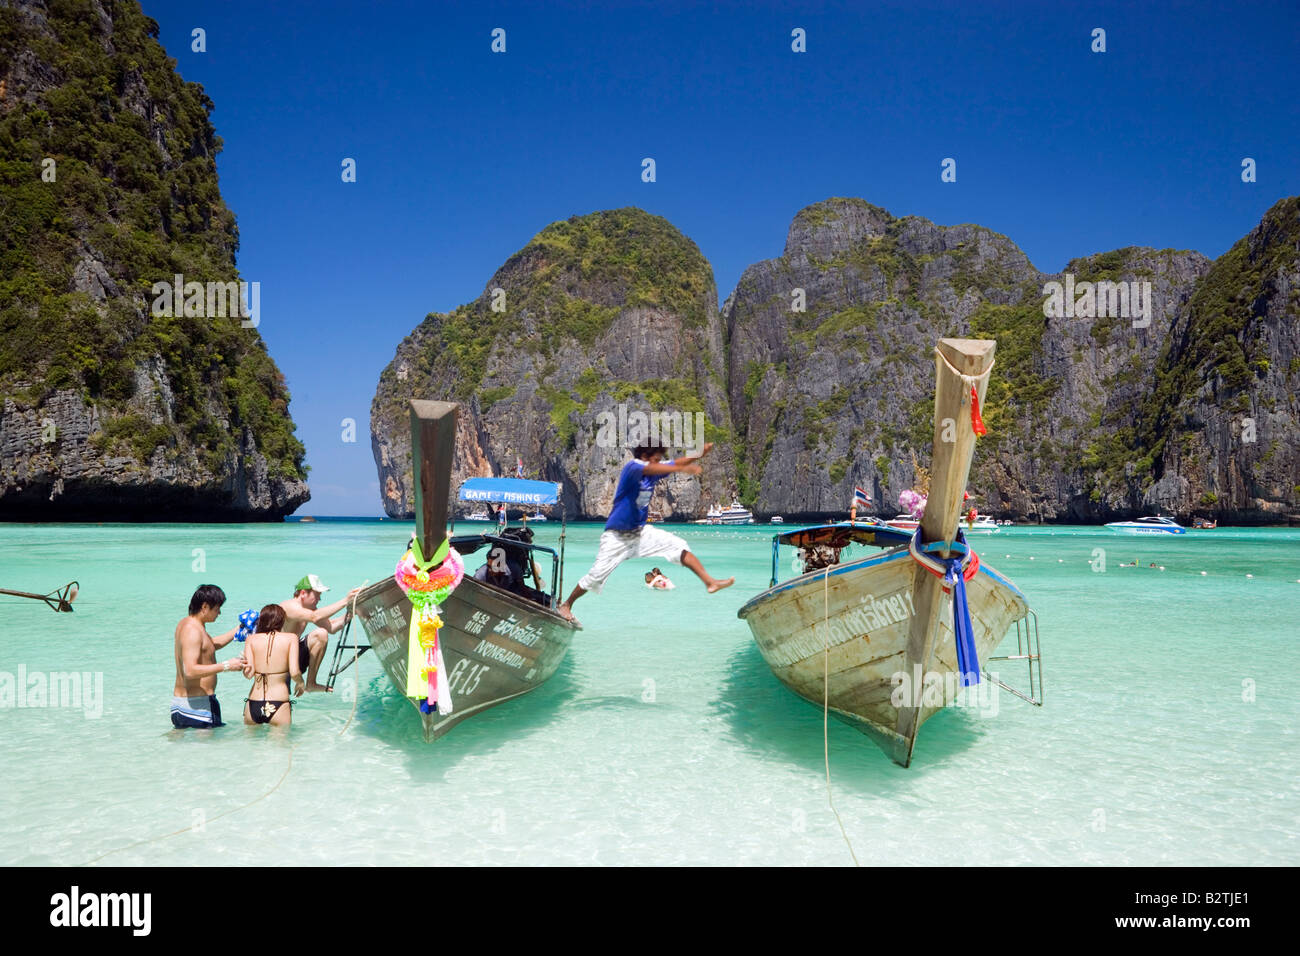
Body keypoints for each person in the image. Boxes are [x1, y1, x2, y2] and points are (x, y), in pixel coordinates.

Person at [557, 442, 733, 625]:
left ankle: (709, 582)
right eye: (656, 458)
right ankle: (567, 605)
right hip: (616, 537)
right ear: (646, 456)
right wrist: (684, 468)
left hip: (640, 533)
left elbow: (673, 463)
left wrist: (698, 454)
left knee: (678, 545)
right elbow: (660, 467)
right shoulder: (632, 467)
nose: (659, 462)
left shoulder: (652, 474)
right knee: (595, 577)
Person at [170, 584, 245, 729]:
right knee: (208, 751)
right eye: (217, 609)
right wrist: (227, 666)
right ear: (205, 607)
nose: (219, 613)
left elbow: (208, 646)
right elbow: (190, 671)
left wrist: (239, 629)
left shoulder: (187, 624)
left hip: (181, 705)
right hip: (199, 707)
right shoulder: (193, 630)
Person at [278, 575, 361, 693]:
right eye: (317, 595)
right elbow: (315, 617)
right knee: (281, 701)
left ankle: (311, 684)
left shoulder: (308, 611)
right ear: (303, 593)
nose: (319, 600)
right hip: (278, 660)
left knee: (321, 634)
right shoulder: (290, 606)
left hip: (293, 655)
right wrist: (345, 601)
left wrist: (353, 612)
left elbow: (331, 627)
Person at [242, 604, 303, 726]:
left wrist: (244, 661)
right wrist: (300, 683)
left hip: (254, 701)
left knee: (251, 745)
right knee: (280, 745)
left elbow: (248, 674)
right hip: (279, 701)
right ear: (281, 620)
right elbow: (294, 671)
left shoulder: (251, 639)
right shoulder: (291, 638)